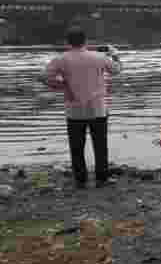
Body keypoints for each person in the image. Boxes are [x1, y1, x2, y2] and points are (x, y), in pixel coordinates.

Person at [42, 27, 121, 188]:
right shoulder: (99, 57)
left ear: (67, 42)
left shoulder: (60, 59)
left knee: (76, 147)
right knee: (100, 145)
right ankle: (102, 178)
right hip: (97, 109)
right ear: (86, 41)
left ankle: (80, 180)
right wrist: (114, 54)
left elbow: (44, 77)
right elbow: (117, 70)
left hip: (74, 110)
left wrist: (63, 86)